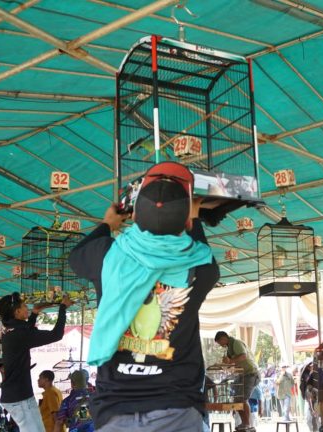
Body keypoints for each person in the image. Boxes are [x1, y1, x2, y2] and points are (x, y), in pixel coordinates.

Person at [69, 161, 218, 432]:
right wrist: (195, 217)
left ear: (135, 215)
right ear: (185, 221)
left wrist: (107, 224)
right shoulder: (202, 268)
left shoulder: (106, 255)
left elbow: (76, 255)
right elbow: (201, 250)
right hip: (178, 412)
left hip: (115, 413)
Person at [0, 291, 72, 432]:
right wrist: (62, 308)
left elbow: (26, 330)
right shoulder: (19, 334)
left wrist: (35, 313)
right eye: (24, 306)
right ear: (17, 312)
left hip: (20, 395)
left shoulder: (11, 330)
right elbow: (56, 335)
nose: (27, 308)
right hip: (18, 398)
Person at [214, 331, 260, 431]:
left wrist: (230, 361)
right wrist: (225, 364)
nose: (220, 345)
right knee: (236, 400)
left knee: (242, 399)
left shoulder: (236, 343)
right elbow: (232, 363)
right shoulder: (229, 349)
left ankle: (247, 424)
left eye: (219, 342)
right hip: (242, 375)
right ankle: (244, 423)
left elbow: (243, 356)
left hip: (250, 373)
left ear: (223, 338)